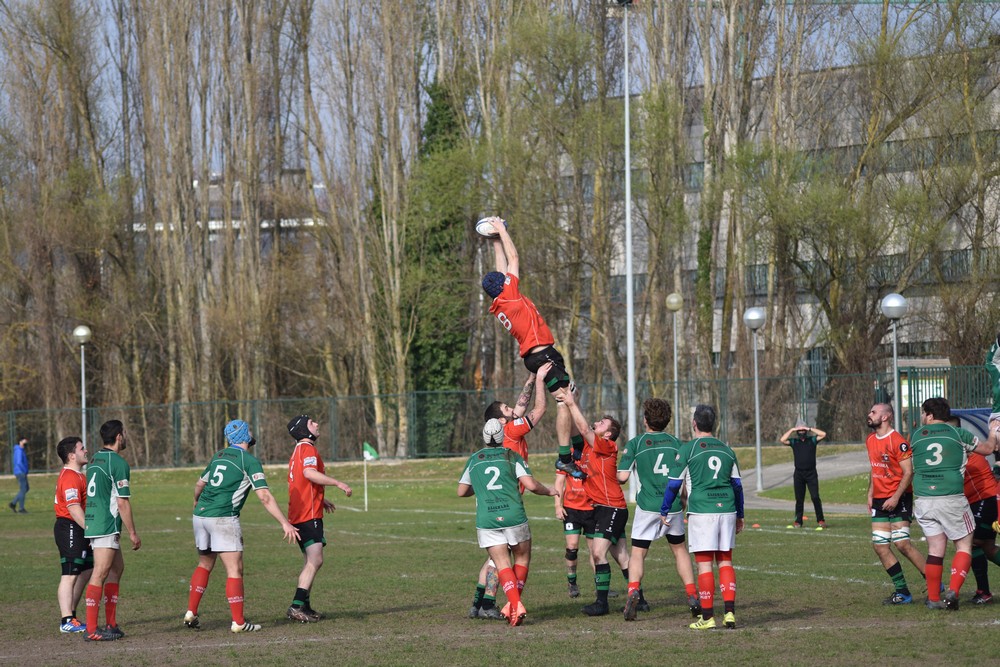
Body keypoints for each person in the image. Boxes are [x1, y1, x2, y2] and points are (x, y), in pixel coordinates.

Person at [480, 216, 583, 480]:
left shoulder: (500, 302)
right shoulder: (510, 295)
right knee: (564, 401)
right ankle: (565, 457)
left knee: (570, 394)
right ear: (503, 287)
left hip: (536, 354)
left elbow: (503, 268)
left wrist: (494, 242)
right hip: (541, 353)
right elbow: (513, 259)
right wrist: (502, 230)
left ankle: (577, 449)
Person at [184, 420, 300, 633]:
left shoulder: (218, 455)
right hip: (223, 518)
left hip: (200, 516)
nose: (252, 432)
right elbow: (264, 496)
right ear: (244, 436)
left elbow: (200, 484)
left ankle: (191, 611)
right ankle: (238, 622)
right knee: (234, 570)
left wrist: (196, 502)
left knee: (204, 564)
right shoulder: (248, 460)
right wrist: (285, 523)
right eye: (249, 430)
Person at [457, 418, 559, 627]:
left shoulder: (475, 459)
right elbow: (530, 484)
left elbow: (461, 491)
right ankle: (514, 604)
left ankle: (515, 605)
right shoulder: (512, 456)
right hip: (513, 516)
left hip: (487, 519)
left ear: (484, 438)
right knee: (522, 557)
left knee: (501, 563)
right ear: (502, 437)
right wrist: (550, 491)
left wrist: (480, 487)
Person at [470, 366, 551, 620]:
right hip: (505, 505)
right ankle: (490, 604)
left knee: (496, 557)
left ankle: (478, 603)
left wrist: (528, 376)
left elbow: (520, 407)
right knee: (502, 559)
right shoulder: (513, 430)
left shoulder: (502, 431)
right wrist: (539, 380)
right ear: (503, 421)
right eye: (507, 410)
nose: (514, 410)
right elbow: (538, 411)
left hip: (489, 502)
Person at [660, 404, 744, 630]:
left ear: (694, 424)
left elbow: (674, 484)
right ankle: (729, 614)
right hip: (727, 509)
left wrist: (665, 509)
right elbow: (737, 486)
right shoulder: (727, 450)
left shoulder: (688, 449)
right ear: (713, 424)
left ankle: (707, 617)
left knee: (704, 564)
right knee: (725, 560)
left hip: (702, 511)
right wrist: (740, 515)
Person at [910, 397, 996, 610]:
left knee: (935, 549)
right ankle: (954, 592)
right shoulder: (958, 433)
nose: (922, 417)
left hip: (923, 499)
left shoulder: (916, 436)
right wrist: (994, 432)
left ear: (930, 415)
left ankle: (933, 599)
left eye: (923, 413)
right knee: (965, 546)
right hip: (951, 497)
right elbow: (986, 449)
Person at [618, 397, 698, 621]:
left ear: (645, 420)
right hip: (671, 506)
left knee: (638, 553)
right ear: (667, 420)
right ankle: (692, 595)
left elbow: (623, 477)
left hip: (647, 507)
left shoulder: (636, 443)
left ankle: (633, 591)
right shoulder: (676, 443)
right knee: (679, 551)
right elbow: (685, 477)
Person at [554, 386, 627, 617]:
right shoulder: (588, 446)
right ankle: (639, 597)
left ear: (608, 434)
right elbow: (577, 426)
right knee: (620, 555)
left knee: (599, 554)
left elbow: (585, 427)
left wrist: (573, 402)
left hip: (612, 507)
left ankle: (602, 603)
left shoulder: (607, 445)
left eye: (603, 423)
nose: (598, 422)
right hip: (601, 508)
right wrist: (565, 402)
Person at [286, 414, 353, 622]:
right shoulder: (307, 449)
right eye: (311, 422)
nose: (316, 424)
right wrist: (338, 483)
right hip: (308, 515)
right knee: (316, 560)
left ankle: (304, 607)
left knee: (310, 562)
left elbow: (301, 481)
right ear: (304, 430)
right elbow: (309, 473)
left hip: (300, 512)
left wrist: (320, 498)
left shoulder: (297, 450)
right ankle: (296, 606)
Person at [83, 420, 141, 641]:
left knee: (117, 569)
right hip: (105, 523)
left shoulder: (95, 459)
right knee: (100, 573)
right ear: (118, 436)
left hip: (96, 521)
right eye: (124, 433)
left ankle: (111, 623)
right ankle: (91, 630)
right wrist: (133, 532)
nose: (125, 436)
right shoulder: (118, 463)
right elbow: (123, 502)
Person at [865, 403, 925, 605]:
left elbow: (909, 472)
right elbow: (875, 469)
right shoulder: (871, 440)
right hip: (880, 499)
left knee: (902, 544)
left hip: (899, 497)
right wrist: (871, 493)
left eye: (873, 412)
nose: (869, 414)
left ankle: (934, 582)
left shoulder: (898, 441)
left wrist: (896, 497)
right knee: (880, 547)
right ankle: (903, 592)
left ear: (885, 417)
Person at [53, 436, 91, 633]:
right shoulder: (69, 477)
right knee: (69, 574)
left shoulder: (78, 476)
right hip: (70, 526)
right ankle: (66, 620)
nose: (85, 450)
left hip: (77, 527)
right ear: (71, 455)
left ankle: (72, 615)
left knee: (85, 571)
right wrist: (90, 530)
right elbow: (74, 507)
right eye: (81, 448)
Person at [555, 442, 593, 599]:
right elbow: (559, 481)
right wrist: (558, 505)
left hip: (592, 508)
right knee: (572, 547)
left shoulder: (594, 453)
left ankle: (601, 587)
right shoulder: (567, 454)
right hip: (571, 508)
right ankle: (572, 583)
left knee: (596, 551)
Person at [963, 448, 999, 604]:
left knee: (973, 542)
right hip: (981, 502)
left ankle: (983, 591)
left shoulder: (968, 459)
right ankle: (983, 592)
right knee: (989, 549)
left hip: (986, 500)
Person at [780, 419, 827, 529]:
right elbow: (782, 440)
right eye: (799, 430)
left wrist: (809, 428)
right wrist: (792, 429)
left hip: (811, 473)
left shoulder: (812, 440)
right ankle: (798, 521)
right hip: (799, 474)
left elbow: (823, 434)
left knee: (815, 497)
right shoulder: (794, 442)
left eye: (803, 429)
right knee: (799, 499)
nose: (801, 431)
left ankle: (821, 520)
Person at [9, 437, 29, 513]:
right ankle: (21, 508)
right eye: (24, 441)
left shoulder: (21, 450)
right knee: (23, 489)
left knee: (26, 488)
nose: (25, 443)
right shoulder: (19, 451)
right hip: (20, 472)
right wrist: (24, 470)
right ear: (20, 442)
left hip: (22, 472)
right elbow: (19, 462)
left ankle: (13, 503)